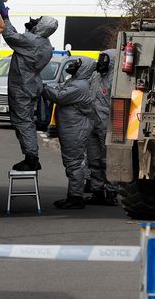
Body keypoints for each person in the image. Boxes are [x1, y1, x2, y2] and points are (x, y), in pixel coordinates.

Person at [0, 5, 58, 171]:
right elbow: (22, 39)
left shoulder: (32, 41)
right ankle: (30, 155)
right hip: (30, 85)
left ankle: (31, 157)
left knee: (23, 122)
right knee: (23, 121)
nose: (34, 22)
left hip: (22, 87)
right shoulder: (45, 44)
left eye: (37, 21)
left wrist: (5, 18)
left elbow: (10, 36)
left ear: (41, 26)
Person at [43, 57, 96, 209]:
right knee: (71, 163)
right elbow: (59, 88)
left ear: (84, 68)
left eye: (77, 64)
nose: (73, 66)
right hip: (71, 129)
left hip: (76, 130)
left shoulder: (80, 86)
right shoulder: (73, 82)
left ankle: (76, 198)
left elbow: (59, 96)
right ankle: (72, 195)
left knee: (74, 163)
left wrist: (42, 88)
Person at [85, 51, 118, 206]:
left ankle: (111, 191)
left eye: (104, 60)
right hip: (92, 123)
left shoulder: (115, 80)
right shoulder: (95, 77)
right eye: (100, 59)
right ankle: (97, 191)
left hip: (107, 126)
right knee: (93, 159)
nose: (101, 62)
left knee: (107, 160)